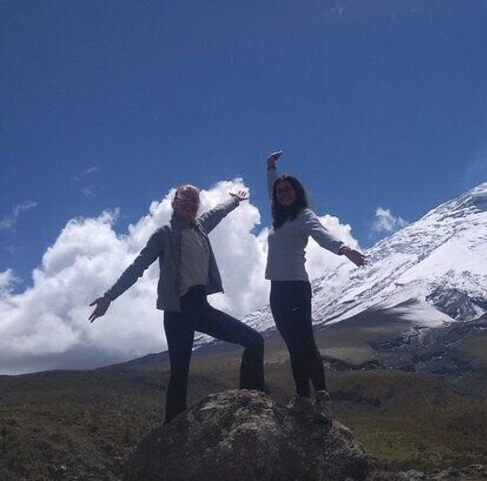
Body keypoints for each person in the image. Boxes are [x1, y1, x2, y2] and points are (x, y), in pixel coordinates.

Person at [89, 185, 265, 423]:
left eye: (195, 202)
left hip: (200, 307)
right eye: (185, 200)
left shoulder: (200, 227)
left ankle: (250, 402)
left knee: (254, 341)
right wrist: (109, 296)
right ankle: (173, 428)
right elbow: (138, 266)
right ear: (174, 203)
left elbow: (217, 212)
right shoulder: (164, 234)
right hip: (177, 311)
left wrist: (233, 201)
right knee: (179, 373)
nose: (191, 205)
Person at [265, 151, 366, 423]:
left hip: (296, 286)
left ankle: (321, 399)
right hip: (277, 290)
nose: (284, 193)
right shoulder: (280, 219)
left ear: (297, 193)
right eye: (280, 191)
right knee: (292, 346)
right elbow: (272, 187)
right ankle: (303, 399)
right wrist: (271, 168)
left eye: (288, 189)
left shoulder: (303, 216)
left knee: (306, 344)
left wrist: (344, 249)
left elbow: (322, 234)